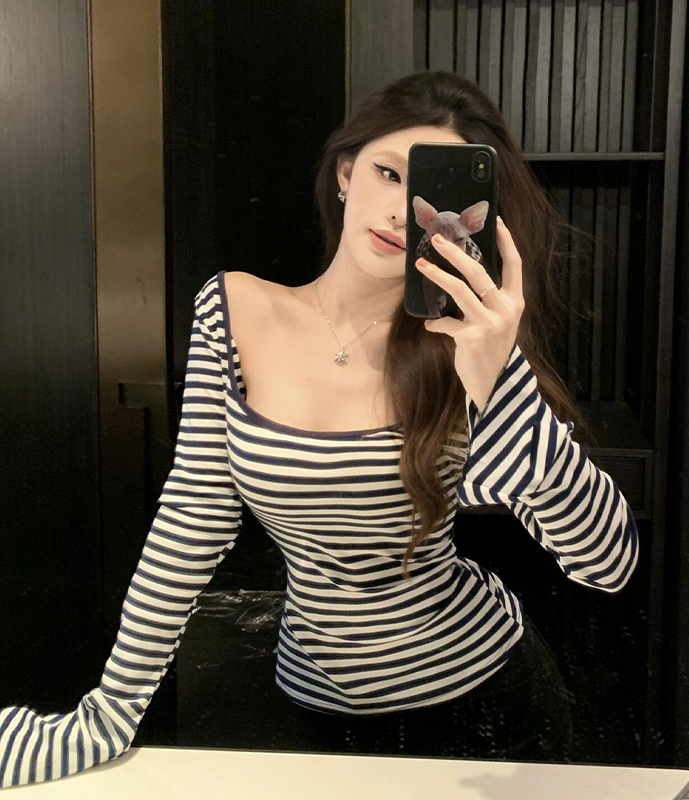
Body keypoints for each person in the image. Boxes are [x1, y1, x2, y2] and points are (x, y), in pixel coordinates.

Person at [0, 70, 638, 788]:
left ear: (472, 221)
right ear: (344, 174)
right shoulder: (235, 310)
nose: (401, 210)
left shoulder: (463, 347)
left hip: (486, 705)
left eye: (433, 193)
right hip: (310, 703)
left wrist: (500, 375)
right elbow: (192, 520)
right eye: (388, 173)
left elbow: (606, 561)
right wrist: (111, 710)